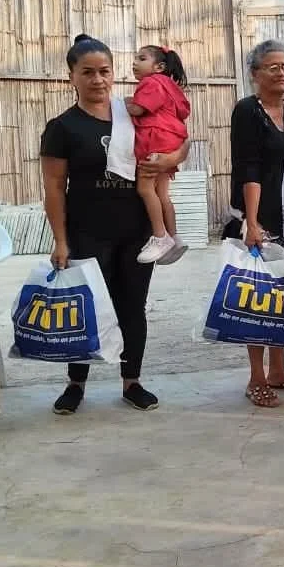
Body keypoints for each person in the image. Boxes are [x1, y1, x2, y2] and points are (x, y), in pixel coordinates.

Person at [41, 34, 189, 415]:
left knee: (132, 307)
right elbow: (55, 188)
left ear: (112, 74)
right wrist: (60, 241)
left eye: (104, 71)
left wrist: (169, 157)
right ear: (71, 75)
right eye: (87, 72)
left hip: (136, 229)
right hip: (87, 228)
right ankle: (76, 384)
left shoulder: (133, 112)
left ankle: (132, 381)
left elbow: (180, 139)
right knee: (86, 307)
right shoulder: (63, 127)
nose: (97, 80)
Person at [227, 40, 284, 407]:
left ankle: (279, 370)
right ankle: (256, 377)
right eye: (272, 67)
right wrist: (251, 221)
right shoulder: (247, 110)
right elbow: (247, 166)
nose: (281, 73)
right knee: (258, 297)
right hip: (262, 219)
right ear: (255, 74)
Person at [128, 44, 191, 265]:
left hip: (155, 140)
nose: (135, 62)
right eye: (135, 58)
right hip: (170, 142)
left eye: (141, 58)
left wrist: (121, 103)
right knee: (162, 193)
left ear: (159, 67)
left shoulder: (152, 82)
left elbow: (138, 109)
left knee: (145, 188)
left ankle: (160, 236)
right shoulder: (171, 87)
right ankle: (175, 237)